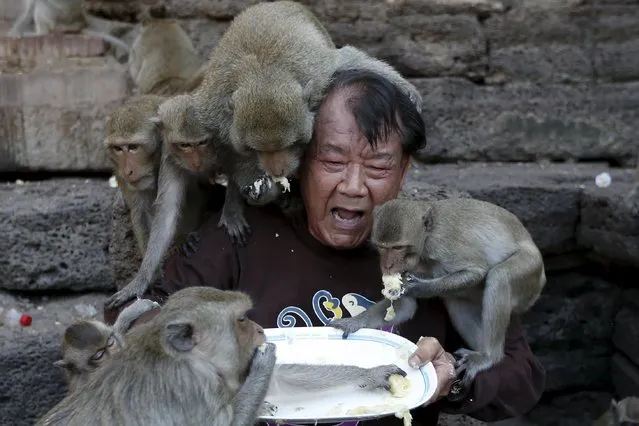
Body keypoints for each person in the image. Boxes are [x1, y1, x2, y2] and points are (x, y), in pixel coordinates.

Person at [104, 69, 545, 426]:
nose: (354, 187)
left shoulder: (435, 249)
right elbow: (139, 319)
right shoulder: (242, 238)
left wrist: (454, 379)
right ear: (298, 162)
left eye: (378, 165)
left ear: (404, 170)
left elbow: (521, 378)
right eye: (333, 161)